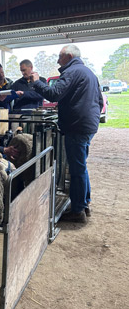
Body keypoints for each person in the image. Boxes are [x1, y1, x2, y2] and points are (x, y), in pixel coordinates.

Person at [31, 44, 103, 223]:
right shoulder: (88, 73)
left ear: (69, 56)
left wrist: (37, 82)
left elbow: (54, 93)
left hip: (76, 127)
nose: (57, 61)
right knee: (81, 166)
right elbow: (100, 100)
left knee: (77, 168)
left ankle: (78, 211)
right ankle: (84, 203)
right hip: (88, 126)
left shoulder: (72, 72)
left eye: (60, 57)